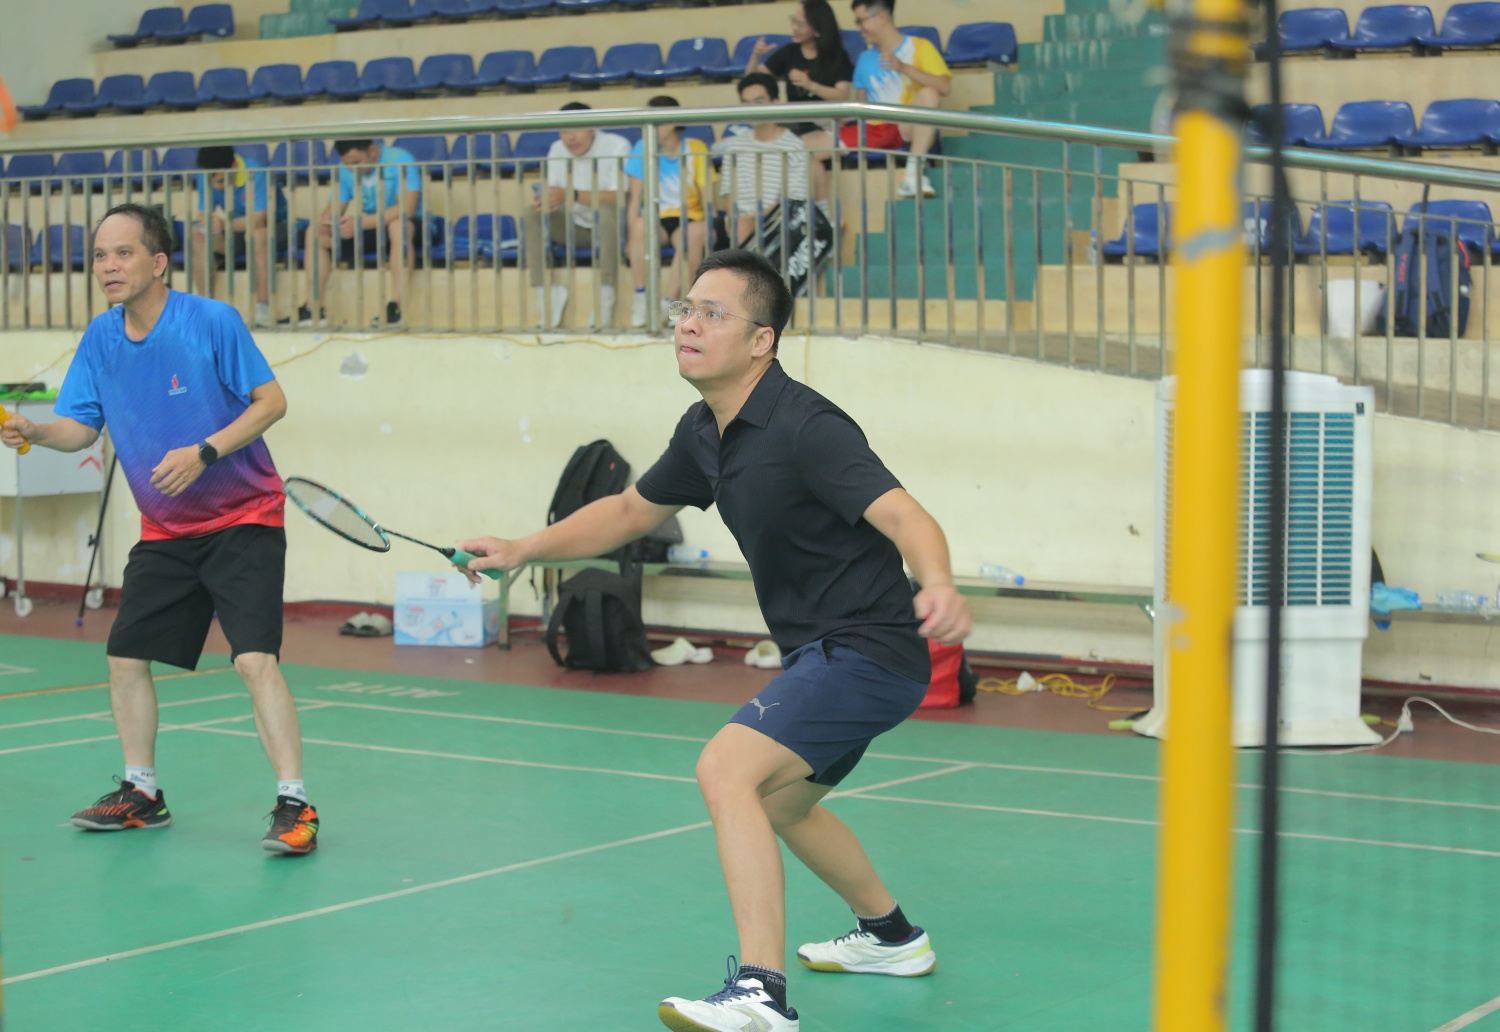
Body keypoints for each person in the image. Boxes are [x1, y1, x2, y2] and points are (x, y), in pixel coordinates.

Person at [456, 249, 971, 1032]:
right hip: (823, 654)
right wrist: (523, 547)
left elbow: (904, 513)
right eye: (685, 310)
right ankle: (892, 938)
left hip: (867, 649)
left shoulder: (807, 426)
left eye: (712, 313)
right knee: (785, 804)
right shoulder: (704, 431)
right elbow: (630, 512)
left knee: (726, 770)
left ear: (762, 340)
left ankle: (762, 994)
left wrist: (938, 581)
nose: (688, 325)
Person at [0, 204, 317, 856]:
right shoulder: (100, 338)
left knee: (254, 659)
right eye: (99, 255)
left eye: (123, 253)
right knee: (125, 657)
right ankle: (142, 792)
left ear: (158, 262)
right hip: (167, 529)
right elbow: (80, 428)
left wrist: (205, 451)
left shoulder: (210, 322)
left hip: (244, 518)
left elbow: (272, 402)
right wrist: (36, 431)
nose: (108, 266)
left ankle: (296, 805)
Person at [292, 138, 423, 328]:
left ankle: (395, 308)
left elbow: (407, 209)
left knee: (397, 225)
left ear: (373, 150)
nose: (352, 169)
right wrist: (327, 222)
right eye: (347, 164)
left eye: (356, 162)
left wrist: (360, 223)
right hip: (371, 227)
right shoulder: (345, 168)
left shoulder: (401, 160)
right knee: (314, 233)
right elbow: (334, 208)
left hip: (412, 226)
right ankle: (313, 309)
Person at [526, 102, 631, 330]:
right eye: (564, 130)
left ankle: (605, 299)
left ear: (592, 128)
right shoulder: (556, 149)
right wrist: (547, 200)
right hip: (574, 228)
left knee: (606, 211)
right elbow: (556, 195)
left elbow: (620, 197)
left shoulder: (616, 146)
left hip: (612, 229)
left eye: (577, 129)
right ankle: (546, 297)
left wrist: (570, 194)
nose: (570, 137)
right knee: (532, 213)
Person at [747, 0, 854, 210]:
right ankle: (818, 214)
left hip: (825, 125)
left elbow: (842, 96)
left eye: (800, 24)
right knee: (794, 153)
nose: (794, 28)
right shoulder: (789, 52)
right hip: (795, 123)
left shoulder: (837, 57)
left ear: (817, 29)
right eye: (793, 21)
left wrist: (810, 85)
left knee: (796, 153)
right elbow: (752, 83)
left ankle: (811, 212)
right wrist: (755, 57)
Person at [845, 0, 952, 199]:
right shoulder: (864, 59)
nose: (859, 28)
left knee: (929, 94)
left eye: (861, 21)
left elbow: (944, 87)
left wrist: (903, 68)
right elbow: (860, 105)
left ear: (881, 18)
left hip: (908, 126)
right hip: (875, 130)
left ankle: (912, 172)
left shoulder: (920, 47)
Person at [624, 96, 712, 329]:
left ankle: (671, 305)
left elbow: (707, 197)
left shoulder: (696, 148)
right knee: (640, 226)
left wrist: (710, 226)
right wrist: (630, 238)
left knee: (690, 237)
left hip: (691, 217)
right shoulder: (642, 149)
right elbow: (634, 200)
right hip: (658, 218)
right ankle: (641, 297)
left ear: (671, 123)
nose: (648, 128)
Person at [191, 145, 289, 328]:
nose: (217, 187)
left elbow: (259, 219)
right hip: (237, 231)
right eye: (214, 182)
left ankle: (263, 308)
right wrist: (202, 226)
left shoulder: (256, 172)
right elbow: (203, 214)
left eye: (221, 181)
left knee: (257, 234)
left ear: (234, 166)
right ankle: (205, 311)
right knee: (199, 238)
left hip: (276, 228)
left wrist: (224, 224)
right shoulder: (206, 175)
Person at [714, 75, 812, 248]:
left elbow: (794, 198)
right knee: (694, 232)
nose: (752, 109)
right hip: (740, 220)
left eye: (759, 101)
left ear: (775, 102)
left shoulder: (794, 146)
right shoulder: (734, 145)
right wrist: (733, 218)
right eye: (746, 103)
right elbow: (728, 191)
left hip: (778, 221)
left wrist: (754, 217)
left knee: (742, 229)